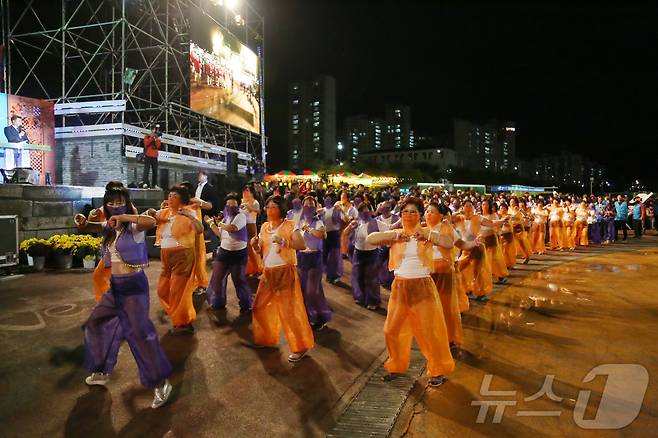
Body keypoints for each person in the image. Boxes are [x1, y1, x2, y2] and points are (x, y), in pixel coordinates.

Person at [74, 186, 172, 408]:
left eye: (120, 202)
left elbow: (152, 222)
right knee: (96, 323)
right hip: (116, 288)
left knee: (139, 334)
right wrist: (82, 222)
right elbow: (93, 225)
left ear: (127, 203)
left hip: (134, 288)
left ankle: (160, 383)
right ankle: (101, 369)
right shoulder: (110, 228)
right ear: (105, 205)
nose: (116, 206)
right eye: (112, 203)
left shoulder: (134, 225)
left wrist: (122, 216)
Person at [366, 197, 455, 387]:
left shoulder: (427, 232)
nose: (409, 215)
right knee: (392, 330)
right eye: (405, 211)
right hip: (400, 287)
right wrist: (395, 237)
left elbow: (448, 243)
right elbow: (370, 239)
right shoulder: (397, 234)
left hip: (423, 286)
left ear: (420, 215)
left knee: (430, 331)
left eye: (414, 211)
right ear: (400, 214)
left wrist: (429, 236)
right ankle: (397, 366)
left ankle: (438, 370)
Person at [248, 195, 314, 362]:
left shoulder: (291, 225)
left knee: (289, 311)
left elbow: (301, 245)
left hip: (285, 272)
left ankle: (300, 346)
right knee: (259, 306)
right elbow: (261, 250)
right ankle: (266, 338)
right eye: (268, 207)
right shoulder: (264, 227)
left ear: (281, 210)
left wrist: (284, 241)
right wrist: (255, 244)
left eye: (273, 207)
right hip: (268, 273)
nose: (269, 210)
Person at [150, 184, 204, 334]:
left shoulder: (189, 212)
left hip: (183, 254)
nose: (170, 198)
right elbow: (149, 216)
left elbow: (199, 230)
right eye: (169, 196)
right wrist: (152, 212)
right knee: (163, 290)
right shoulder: (165, 213)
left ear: (182, 199)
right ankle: (179, 315)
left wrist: (188, 216)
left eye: (174, 196)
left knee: (178, 290)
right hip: (166, 256)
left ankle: (182, 322)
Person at [205, 193, 252, 312]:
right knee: (217, 277)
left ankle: (246, 305)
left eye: (234, 205)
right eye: (228, 205)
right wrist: (211, 223)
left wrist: (219, 223)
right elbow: (220, 233)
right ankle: (218, 302)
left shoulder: (241, 216)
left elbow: (232, 228)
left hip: (238, 254)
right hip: (224, 251)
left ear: (238, 206)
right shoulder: (226, 217)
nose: (231, 207)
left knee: (238, 279)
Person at [296, 196, 332, 330]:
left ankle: (321, 317)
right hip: (301, 257)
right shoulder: (298, 221)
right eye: (306, 205)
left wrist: (309, 229)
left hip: (315, 257)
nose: (308, 207)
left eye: (311, 205)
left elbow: (323, 235)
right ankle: (307, 316)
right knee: (302, 290)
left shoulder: (318, 222)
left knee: (312, 291)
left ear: (315, 207)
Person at [343, 203, 386, 310]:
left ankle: (372, 300)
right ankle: (360, 296)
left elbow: (388, 231)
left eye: (367, 210)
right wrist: (350, 226)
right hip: (358, 253)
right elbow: (345, 233)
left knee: (371, 277)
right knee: (358, 276)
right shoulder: (356, 223)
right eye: (362, 211)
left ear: (371, 211)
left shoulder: (377, 223)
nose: (365, 213)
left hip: (373, 253)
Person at [319, 193, 344, 284]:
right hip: (325, 235)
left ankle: (335, 275)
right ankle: (328, 274)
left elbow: (344, 219)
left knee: (334, 256)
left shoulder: (336, 209)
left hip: (334, 235)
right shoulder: (322, 210)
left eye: (329, 199)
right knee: (325, 255)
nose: (327, 200)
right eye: (326, 199)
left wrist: (342, 212)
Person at [241, 185, 263, 276]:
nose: (246, 192)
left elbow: (258, 211)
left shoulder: (255, 202)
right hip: (243, 225)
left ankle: (257, 267)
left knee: (251, 248)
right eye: (244, 190)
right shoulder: (242, 201)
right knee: (246, 249)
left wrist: (249, 207)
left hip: (251, 225)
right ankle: (250, 268)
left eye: (247, 190)